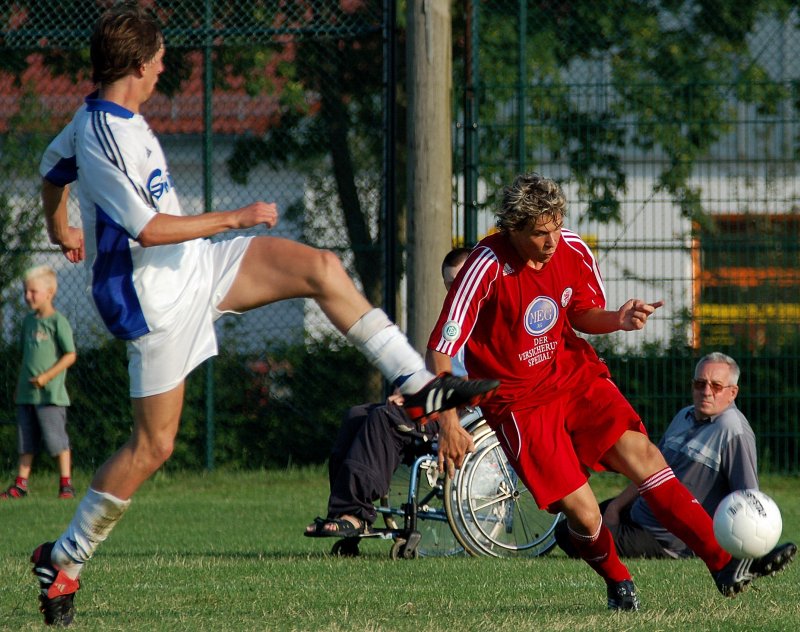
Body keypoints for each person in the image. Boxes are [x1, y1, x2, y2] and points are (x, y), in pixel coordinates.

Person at [30, 4, 497, 626]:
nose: (165, 66)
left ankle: (417, 384)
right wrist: (234, 217)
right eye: (160, 58)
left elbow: (50, 170)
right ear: (139, 65)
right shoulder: (103, 135)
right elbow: (147, 228)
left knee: (321, 268)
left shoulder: (106, 116)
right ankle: (64, 558)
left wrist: (58, 226)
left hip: (196, 267)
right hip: (153, 303)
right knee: (153, 445)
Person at [426, 172, 796, 611]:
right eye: (540, 233)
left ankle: (725, 564)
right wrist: (448, 421)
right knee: (584, 513)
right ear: (513, 229)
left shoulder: (572, 248)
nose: (551, 240)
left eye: (556, 226)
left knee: (645, 456)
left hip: (571, 374)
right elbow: (440, 349)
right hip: (518, 403)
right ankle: (618, 580)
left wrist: (616, 319)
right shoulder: (485, 265)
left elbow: (580, 312)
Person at [305, 248, 471, 537]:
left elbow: (477, 382)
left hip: (458, 414)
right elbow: (426, 369)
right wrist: (406, 389)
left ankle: (355, 514)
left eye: (460, 282)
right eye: (449, 284)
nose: (453, 291)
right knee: (357, 415)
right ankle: (342, 513)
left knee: (385, 419)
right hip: (431, 404)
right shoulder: (451, 324)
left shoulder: (488, 320)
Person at [555, 352, 759, 559]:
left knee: (575, 539)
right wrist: (615, 506)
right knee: (569, 527)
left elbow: (748, 499)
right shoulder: (684, 416)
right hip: (638, 510)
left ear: (733, 392)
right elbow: (649, 471)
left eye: (716, 386)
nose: (706, 392)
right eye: (700, 384)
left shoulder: (733, 431)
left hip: (663, 538)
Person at [1, 265, 77, 501]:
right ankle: (20, 485)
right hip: (27, 394)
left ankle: (66, 484)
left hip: (50, 395)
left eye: (33, 291)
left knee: (56, 440)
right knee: (26, 441)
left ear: (50, 292)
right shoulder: (28, 323)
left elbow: (70, 355)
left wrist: (46, 377)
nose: (27, 296)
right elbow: (26, 358)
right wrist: (19, 386)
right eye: (25, 291)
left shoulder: (57, 322)